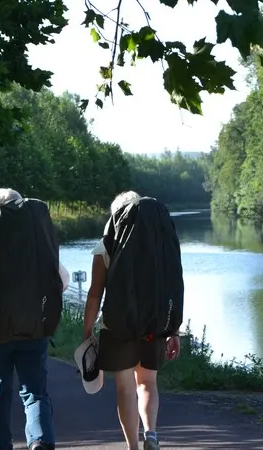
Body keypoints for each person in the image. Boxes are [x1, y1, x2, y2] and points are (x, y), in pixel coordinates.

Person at [0, 188, 69, 450]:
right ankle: (40, 439)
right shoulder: (39, 243)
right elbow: (62, 282)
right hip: (35, 327)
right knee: (35, 390)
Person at [82, 191, 184, 450]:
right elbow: (174, 287)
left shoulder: (106, 245)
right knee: (148, 384)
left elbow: (95, 293)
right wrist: (174, 330)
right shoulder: (162, 243)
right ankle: (151, 434)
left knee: (126, 389)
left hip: (118, 328)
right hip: (154, 327)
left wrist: (87, 330)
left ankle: (133, 447)